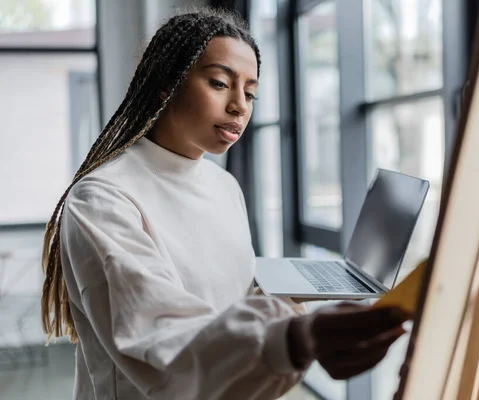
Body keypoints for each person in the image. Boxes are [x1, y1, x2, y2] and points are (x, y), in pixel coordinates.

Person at [40, 6, 409, 400]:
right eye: (219, 83)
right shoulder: (102, 200)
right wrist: (299, 336)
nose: (240, 106)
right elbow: (165, 343)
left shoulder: (224, 185)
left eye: (250, 92)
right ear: (167, 83)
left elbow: (227, 300)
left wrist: (280, 294)